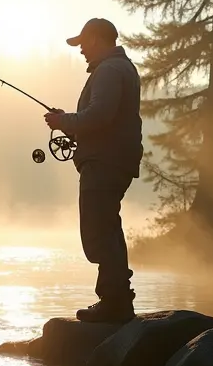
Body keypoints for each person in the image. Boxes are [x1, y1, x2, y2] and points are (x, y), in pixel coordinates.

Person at [44, 18, 143, 324]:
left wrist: (64, 122)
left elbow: (100, 116)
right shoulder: (120, 68)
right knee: (107, 228)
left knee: (99, 231)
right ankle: (117, 300)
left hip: (104, 163)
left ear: (97, 39)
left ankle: (114, 303)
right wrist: (69, 122)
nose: (81, 50)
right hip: (113, 159)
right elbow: (103, 120)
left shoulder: (109, 70)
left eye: (83, 43)